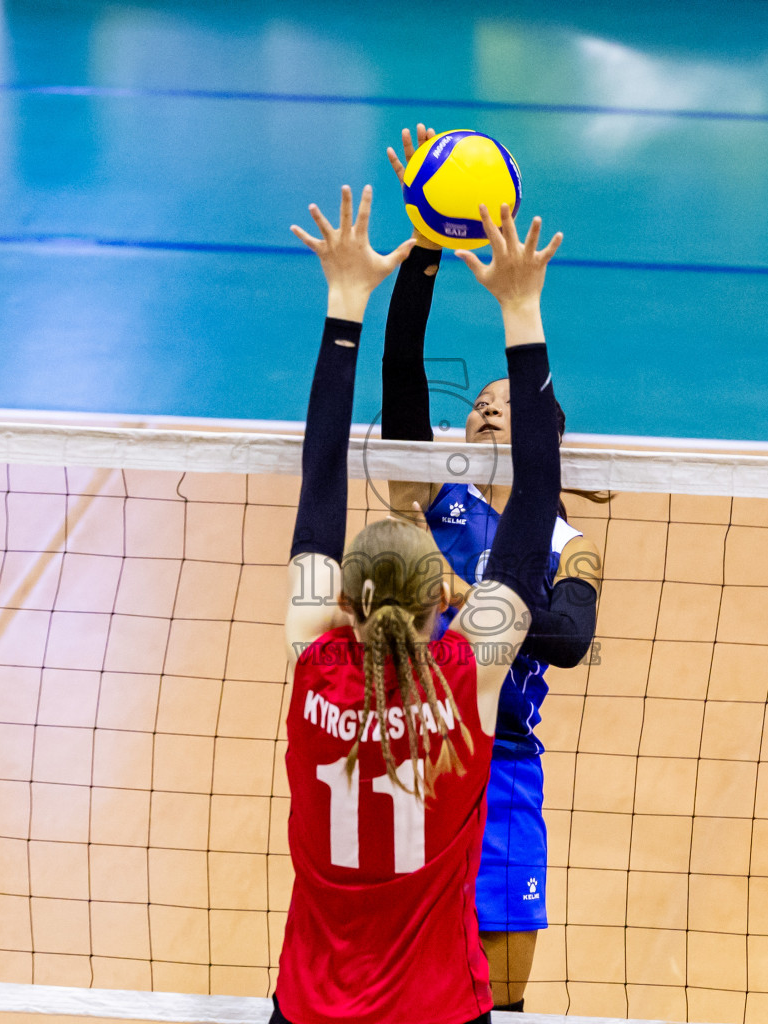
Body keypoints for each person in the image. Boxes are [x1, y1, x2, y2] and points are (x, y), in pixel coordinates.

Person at [276, 182, 564, 1024]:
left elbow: (319, 477)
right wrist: (521, 307)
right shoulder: (467, 679)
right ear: (446, 594)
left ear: (339, 603)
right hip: (436, 1007)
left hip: (310, 1007)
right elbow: (537, 493)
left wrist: (343, 300)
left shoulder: (313, 666)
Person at [381, 125, 604, 1009]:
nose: (482, 413)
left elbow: (570, 639)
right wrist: (425, 258)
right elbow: (401, 381)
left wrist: (471, 602)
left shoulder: (565, 539)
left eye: (505, 405)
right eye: (476, 406)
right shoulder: (438, 499)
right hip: (413, 754)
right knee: (405, 990)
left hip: (506, 763)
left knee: (501, 1003)